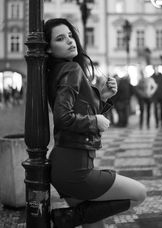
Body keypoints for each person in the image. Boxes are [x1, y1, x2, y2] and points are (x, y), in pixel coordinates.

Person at [44, 18, 146, 228]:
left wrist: (104, 98)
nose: (70, 41)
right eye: (60, 39)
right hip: (75, 169)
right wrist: (95, 121)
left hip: (65, 165)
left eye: (70, 36)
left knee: (95, 226)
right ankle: (68, 218)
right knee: (139, 193)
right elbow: (63, 118)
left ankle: (72, 217)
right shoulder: (71, 70)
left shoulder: (57, 71)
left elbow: (78, 111)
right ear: (49, 49)